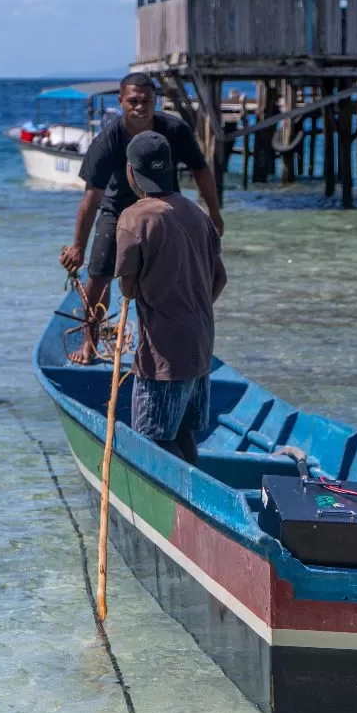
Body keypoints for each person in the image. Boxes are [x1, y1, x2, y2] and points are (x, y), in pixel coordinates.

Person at [59, 72, 223, 364]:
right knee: (99, 276)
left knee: (179, 274)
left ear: (155, 101)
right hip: (117, 210)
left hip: (163, 207)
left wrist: (214, 214)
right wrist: (78, 246)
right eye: (133, 101)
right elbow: (91, 199)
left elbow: (200, 170)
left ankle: (178, 335)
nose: (140, 107)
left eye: (146, 101)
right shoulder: (107, 141)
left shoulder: (174, 130)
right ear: (120, 102)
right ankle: (90, 342)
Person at [115, 131, 227, 465]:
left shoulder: (134, 218)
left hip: (163, 351)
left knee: (153, 439)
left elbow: (128, 288)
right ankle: (196, 504)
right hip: (201, 342)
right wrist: (191, 306)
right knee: (182, 432)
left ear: (131, 171)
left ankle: (178, 508)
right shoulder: (196, 212)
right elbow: (220, 278)